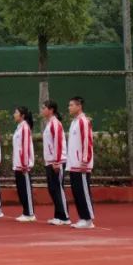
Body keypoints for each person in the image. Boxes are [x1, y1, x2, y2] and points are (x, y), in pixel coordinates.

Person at [66, 96, 95, 229]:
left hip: (81, 164)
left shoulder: (83, 121)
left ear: (79, 106)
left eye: (71, 105)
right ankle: (82, 217)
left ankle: (88, 219)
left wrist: (85, 160)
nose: (69, 107)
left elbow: (87, 141)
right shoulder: (74, 122)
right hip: (73, 164)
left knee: (83, 191)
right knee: (77, 191)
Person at [41, 99, 70, 225]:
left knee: (58, 188)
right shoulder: (49, 124)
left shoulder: (55, 124)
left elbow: (58, 142)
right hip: (50, 161)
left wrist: (57, 161)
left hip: (57, 161)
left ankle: (64, 217)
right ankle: (58, 215)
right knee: (52, 188)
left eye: (44, 108)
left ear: (51, 110)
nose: (42, 110)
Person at [12, 106, 36, 222]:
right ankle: (25, 212)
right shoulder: (19, 128)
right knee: (21, 189)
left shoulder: (25, 128)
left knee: (25, 188)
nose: (14, 114)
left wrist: (25, 164)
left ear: (22, 116)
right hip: (18, 164)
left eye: (16, 112)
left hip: (23, 165)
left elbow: (25, 146)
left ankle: (30, 213)